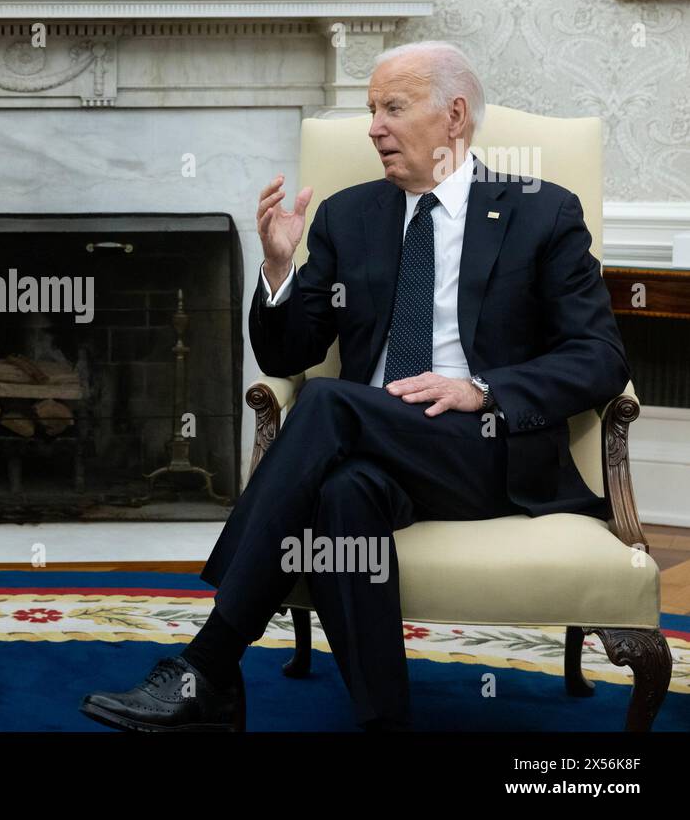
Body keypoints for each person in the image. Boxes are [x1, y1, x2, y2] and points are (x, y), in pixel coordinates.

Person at [79, 40, 629, 732]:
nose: (373, 126)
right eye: (371, 109)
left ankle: (210, 660)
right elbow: (290, 349)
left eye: (393, 107)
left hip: (486, 452)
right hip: (373, 446)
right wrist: (278, 271)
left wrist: (484, 389)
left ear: (454, 116)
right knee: (343, 494)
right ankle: (383, 720)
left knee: (329, 400)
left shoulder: (539, 211)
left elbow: (600, 356)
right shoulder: (349, 215)